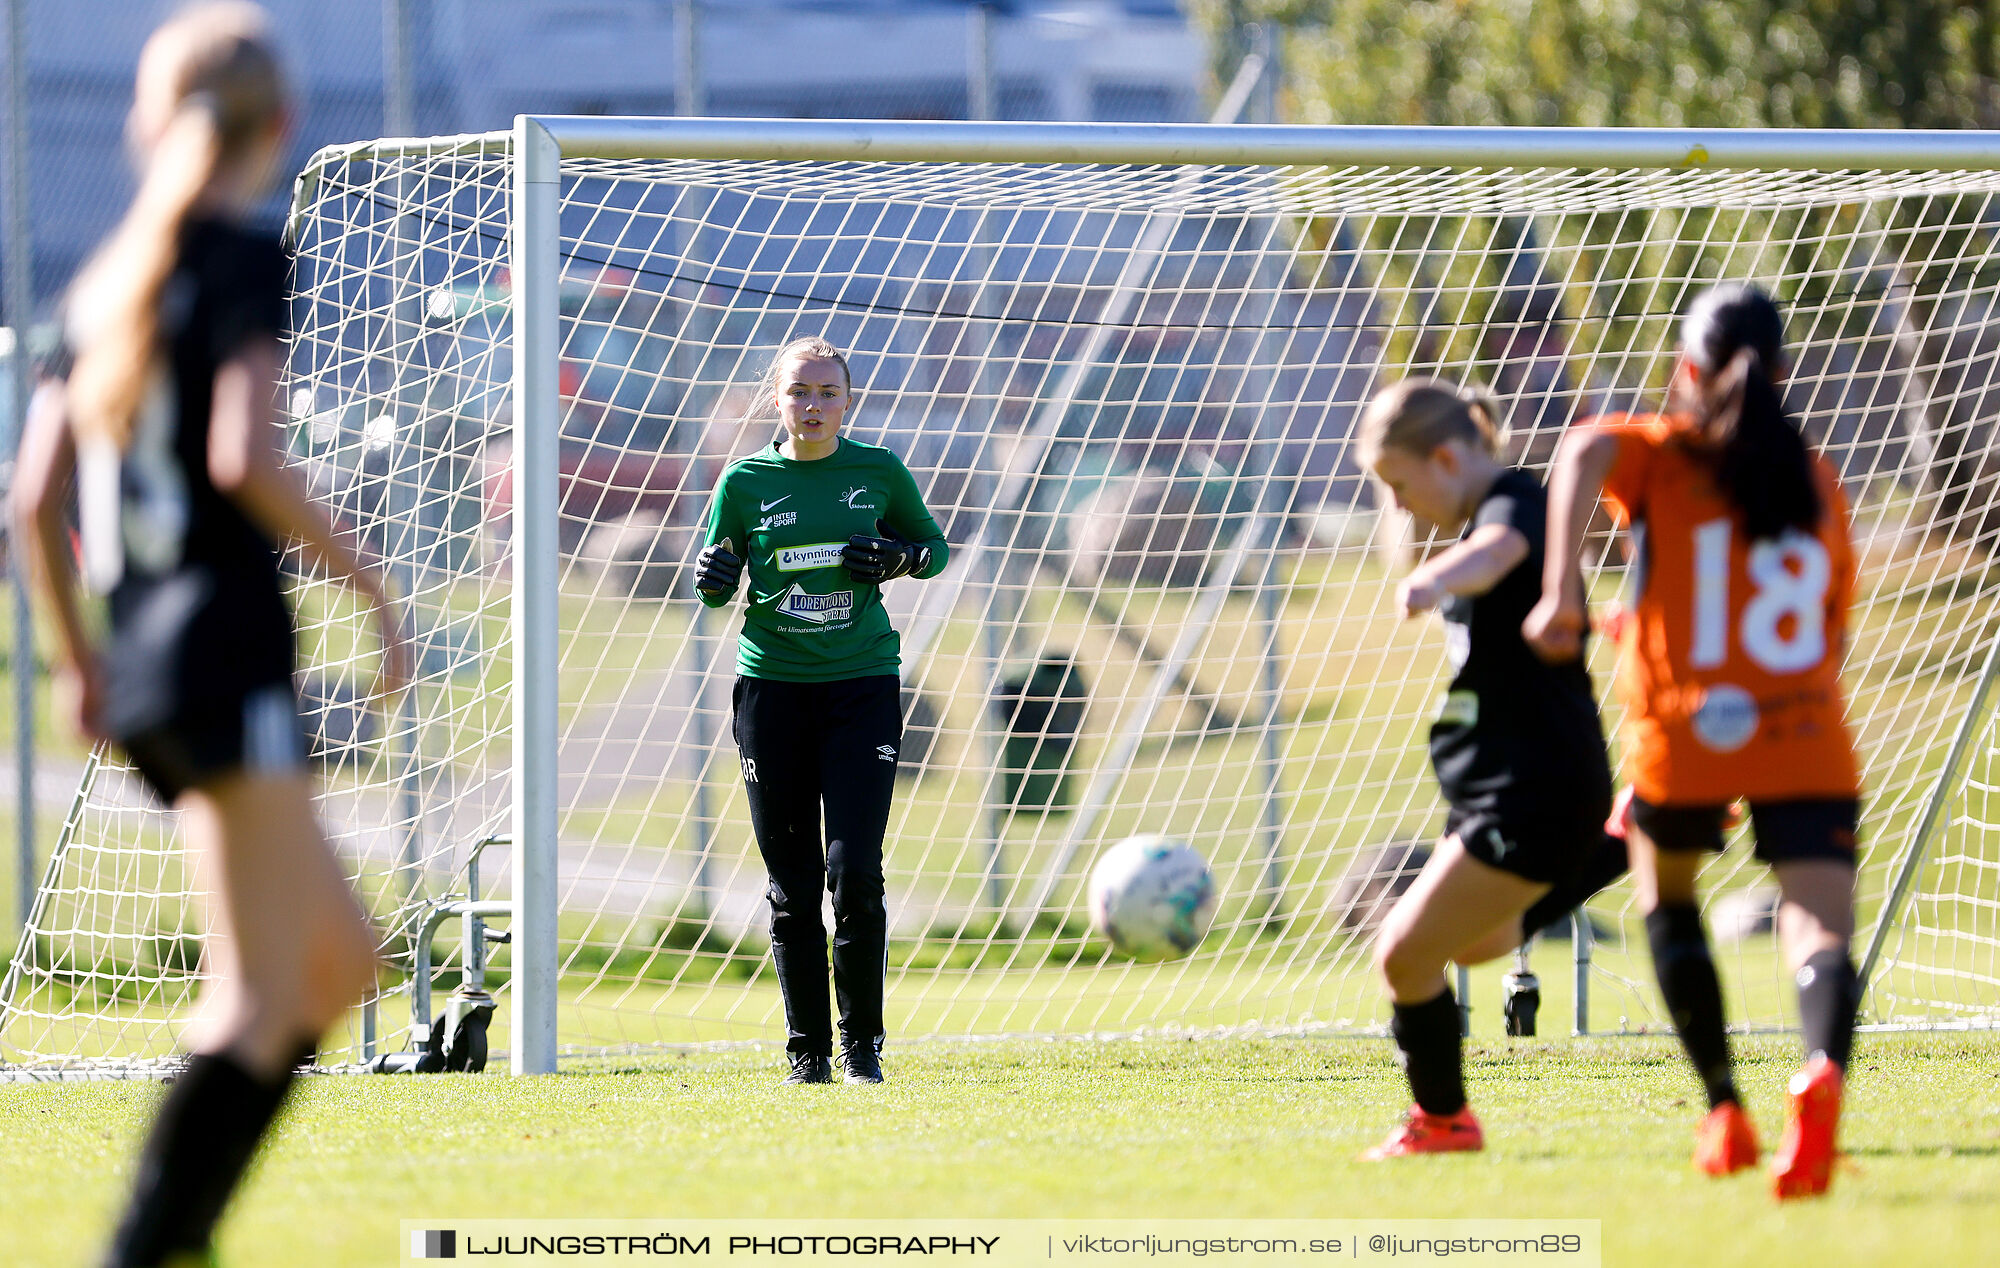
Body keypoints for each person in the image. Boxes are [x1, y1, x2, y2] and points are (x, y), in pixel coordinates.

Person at [8, 6, 407, 1264]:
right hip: (225, 652)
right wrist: (372, 584)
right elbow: (246, 454)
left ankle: (171, 1237)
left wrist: (80, 662)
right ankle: (147, 1244)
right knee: (262, 991)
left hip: (146, 664)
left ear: (149, 119)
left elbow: (32, 501)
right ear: (280, 125)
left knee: (337, 962)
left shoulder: (107, 282)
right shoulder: (234, 256)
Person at [1525, 282, 1861, 1199]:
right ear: (1784, 373)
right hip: (1804, 731)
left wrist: (1562, 589)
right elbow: (1833, 633)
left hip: (1686, 735)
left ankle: (1724, 1107)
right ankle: (1821, 1068)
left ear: (1686, 372)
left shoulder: (1668, 458)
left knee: (1667, 903)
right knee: (1817, 922)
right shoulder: (1819, 480)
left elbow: (1585, 442)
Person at [1356, 379, 1619, 1159]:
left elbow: (1500, 550)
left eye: (1400, 485)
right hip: (1515, 784)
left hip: (1531, 785)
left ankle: (1443, 1123)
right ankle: (1623, 840)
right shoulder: (1485, 509)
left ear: (1445, 455)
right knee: (1474, 944)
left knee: (1403, 954)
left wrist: (1437, 577)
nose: (1400, 507)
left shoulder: (1516, 501)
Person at [692, 335, 948, 1085]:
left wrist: (901, 559)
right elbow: (713, 590)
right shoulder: (743, 482)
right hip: (772, 694)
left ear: (848, 400)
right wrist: (713, 571)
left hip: (861, 687)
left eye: (827, 392)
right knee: (792, 883)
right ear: (777, 399)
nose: (813, 405)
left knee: (855, 872)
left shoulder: (879, 471)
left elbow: (933, 548)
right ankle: (807, 1056)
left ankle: (861, 1047)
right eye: (799, 392)